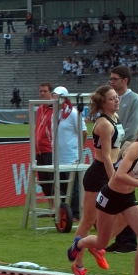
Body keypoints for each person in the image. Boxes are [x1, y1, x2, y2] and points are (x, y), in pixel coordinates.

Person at [68, 118, 138, 275]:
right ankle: (79, 243)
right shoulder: (135, 148)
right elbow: (119, 175)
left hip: (128, 198)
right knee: (101, 242)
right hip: (110, 197)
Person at [71, 85, 122, 275]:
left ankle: (98, 245)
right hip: (100, 175)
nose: (116, 100)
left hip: (112, 173)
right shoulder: (104, 124)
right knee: (87, 220)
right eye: (112, 98)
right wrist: (114, 180)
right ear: (103, 103)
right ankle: (79, 265)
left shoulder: (116, 119)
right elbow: (108, 158)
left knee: (125, 216)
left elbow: (118, 151)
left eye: (117, 97)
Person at [107, 65, 138, 253]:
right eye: (110, 79)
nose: (111, 81)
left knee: (126, 196)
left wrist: (117, 147)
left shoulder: (134, 100)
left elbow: (132, 129)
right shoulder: (112, 100)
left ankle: (129, 241)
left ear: (125, 80)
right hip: (114, 153)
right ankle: (121, 240)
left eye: (114, 79)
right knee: (117, 197)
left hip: (127, 153)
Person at [52, 86, 87, 221]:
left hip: (71, 157)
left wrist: (79, 148)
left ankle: (76, 213)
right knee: (61, 187)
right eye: (54, 95)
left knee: (74, 187)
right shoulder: (54, 114)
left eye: (58, 96)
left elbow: (84, 132)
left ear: (65, 98)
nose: (55, 98)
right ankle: (64, 213)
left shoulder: (73, 113)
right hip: (58, 157)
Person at [35, 83, 56, 210]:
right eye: (40, 91)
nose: (42, 93)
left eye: (45, 91)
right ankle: (51, 206)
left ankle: (56, 207)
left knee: (52, 179)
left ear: (51, 93)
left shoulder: (55, 109)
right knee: (43, 180)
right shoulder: (39, 109)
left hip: (49, 148)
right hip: (39, 149)